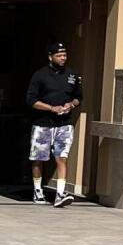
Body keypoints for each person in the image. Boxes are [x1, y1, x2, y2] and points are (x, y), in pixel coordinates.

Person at [26, 40, 82, 206]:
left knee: (62, 157)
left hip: (64, 124)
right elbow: (31, 100)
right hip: (43, 124)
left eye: (64, 55)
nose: (63, 58)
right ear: (50, 57)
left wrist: (71, 105)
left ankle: (60, 193)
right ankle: (38, 191)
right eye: (59, 55)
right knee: (38, 158)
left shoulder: (72, 75)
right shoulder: (40, 75)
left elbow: (79, 97)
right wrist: (51, 108)